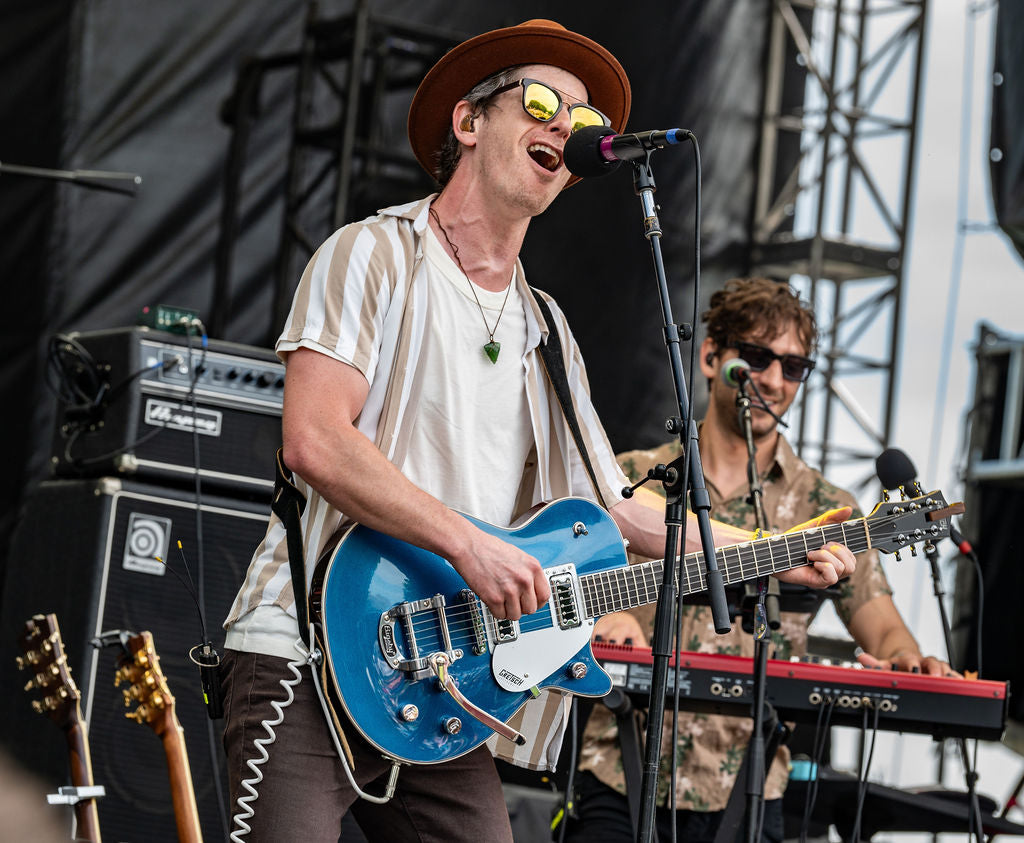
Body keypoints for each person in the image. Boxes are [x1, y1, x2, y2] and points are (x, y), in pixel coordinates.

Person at [218, 23, 858, 843]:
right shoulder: (371, 255)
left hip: (448, 673)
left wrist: (769, 549)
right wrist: (469, 546)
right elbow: (314, 439)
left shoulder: (545, 327)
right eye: (545, 103)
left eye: (585, 119)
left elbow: (619, 509)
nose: (568, 126)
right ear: (469, 122)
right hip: (307, 643)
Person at [570, 277, 956, 843]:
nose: (774, 380)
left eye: (794, 367)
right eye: (756, 357)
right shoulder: (633, 478)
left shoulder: (830, 510)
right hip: (618, 766)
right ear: (710, 356)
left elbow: (882, 627)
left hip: (753, 788)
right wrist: (601, 620)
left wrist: (906, 660)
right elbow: (554, 584)